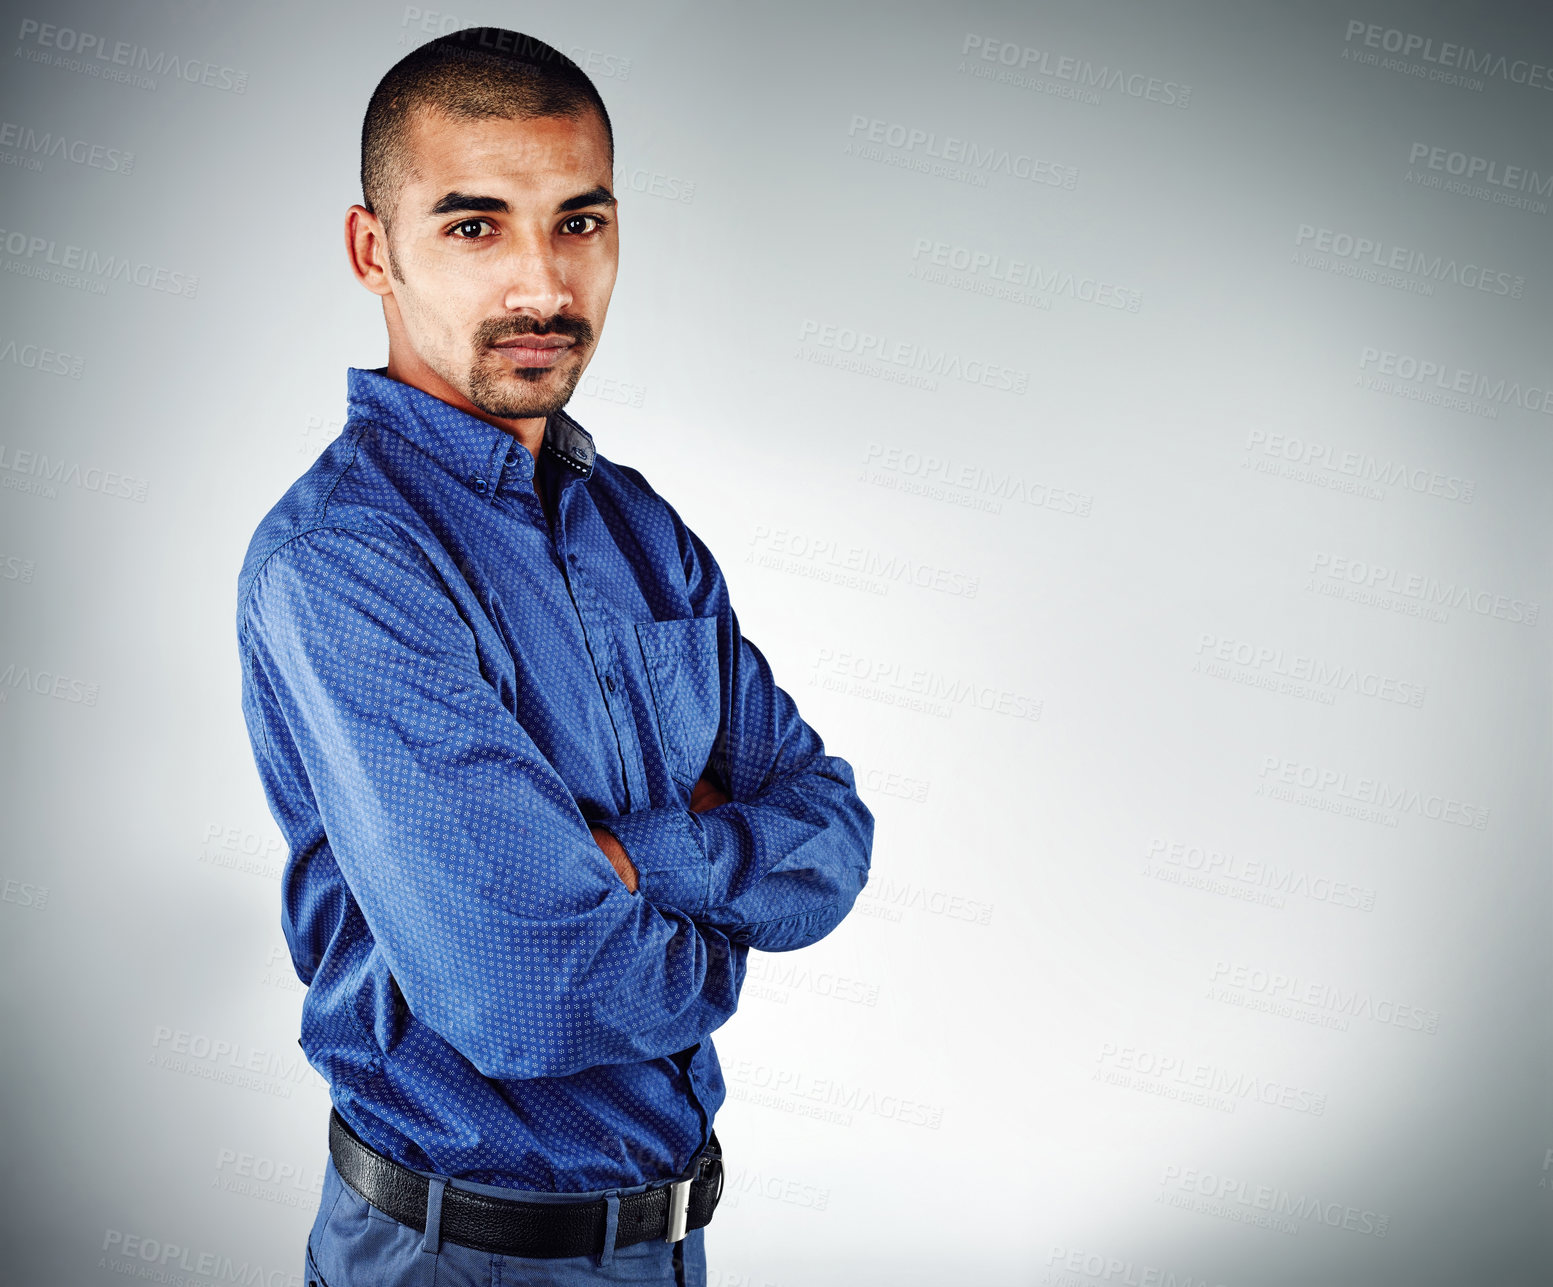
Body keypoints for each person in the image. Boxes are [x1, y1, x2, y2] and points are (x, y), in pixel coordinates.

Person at [233, 26, 875, 1286]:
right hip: (452, 1256)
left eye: (578, 222)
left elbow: (833, 832)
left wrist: (631, 859)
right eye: (474, 226)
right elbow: (534, 987)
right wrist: (726, 912)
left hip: (667, 1249)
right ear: (375, 251)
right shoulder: (344, 564)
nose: (542, 283)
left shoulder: (642, 530)